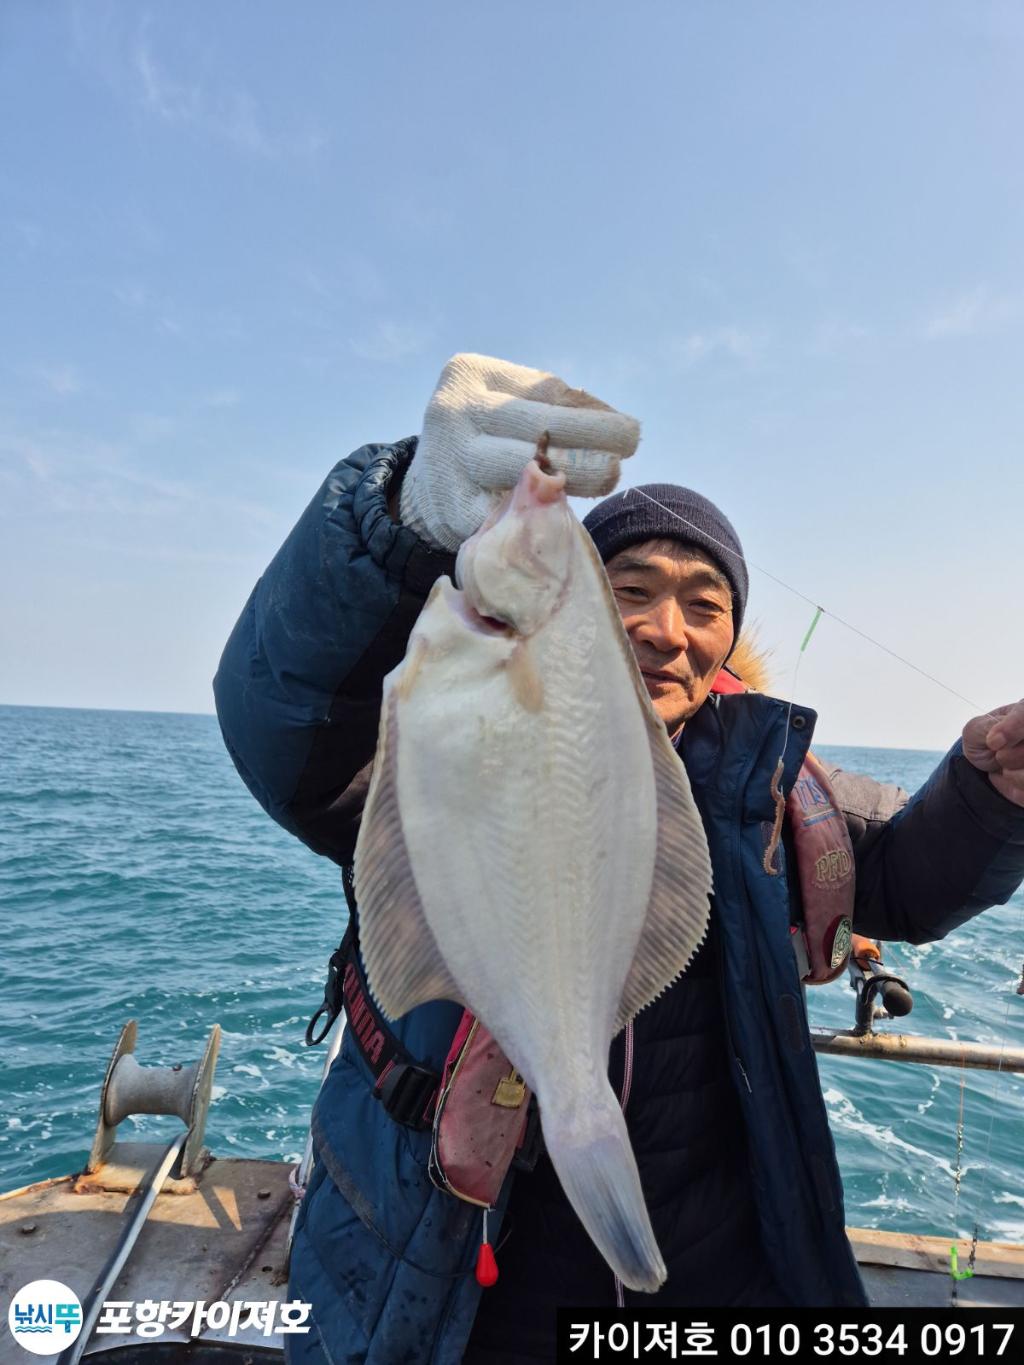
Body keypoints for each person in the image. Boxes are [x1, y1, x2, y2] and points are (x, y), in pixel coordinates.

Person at [213, 353, 1024, 1364]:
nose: (663, 629)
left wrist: (989, 793)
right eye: (627, 589)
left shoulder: (773, 786)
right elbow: (287, 728)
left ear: (729, 638)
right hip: (469, 1268)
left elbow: (905, 875)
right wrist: (400, 516)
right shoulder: (448, 736)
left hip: (720, 1262)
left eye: (702, 604)